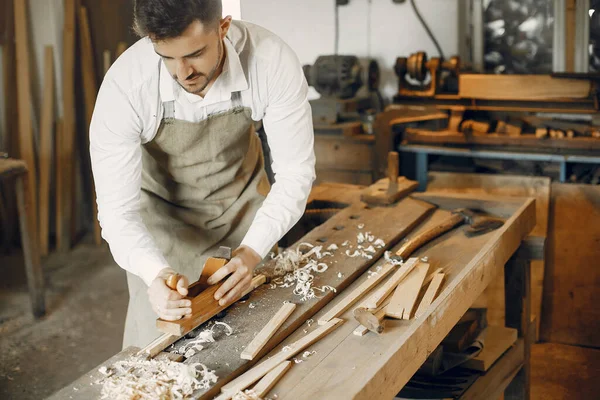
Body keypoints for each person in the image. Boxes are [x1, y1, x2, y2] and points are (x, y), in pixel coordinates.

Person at [90, 0, 315, 348]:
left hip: (245, 213)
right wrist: (156, 274)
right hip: (164, 228)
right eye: (166, 57)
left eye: (195, 53)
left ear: (223, 28)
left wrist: (252, 251)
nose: (182, 72)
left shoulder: (271, 61)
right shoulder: (126, 86)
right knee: (163, 353)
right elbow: (117, 213)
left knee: (261, 338)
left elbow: (295, 174)